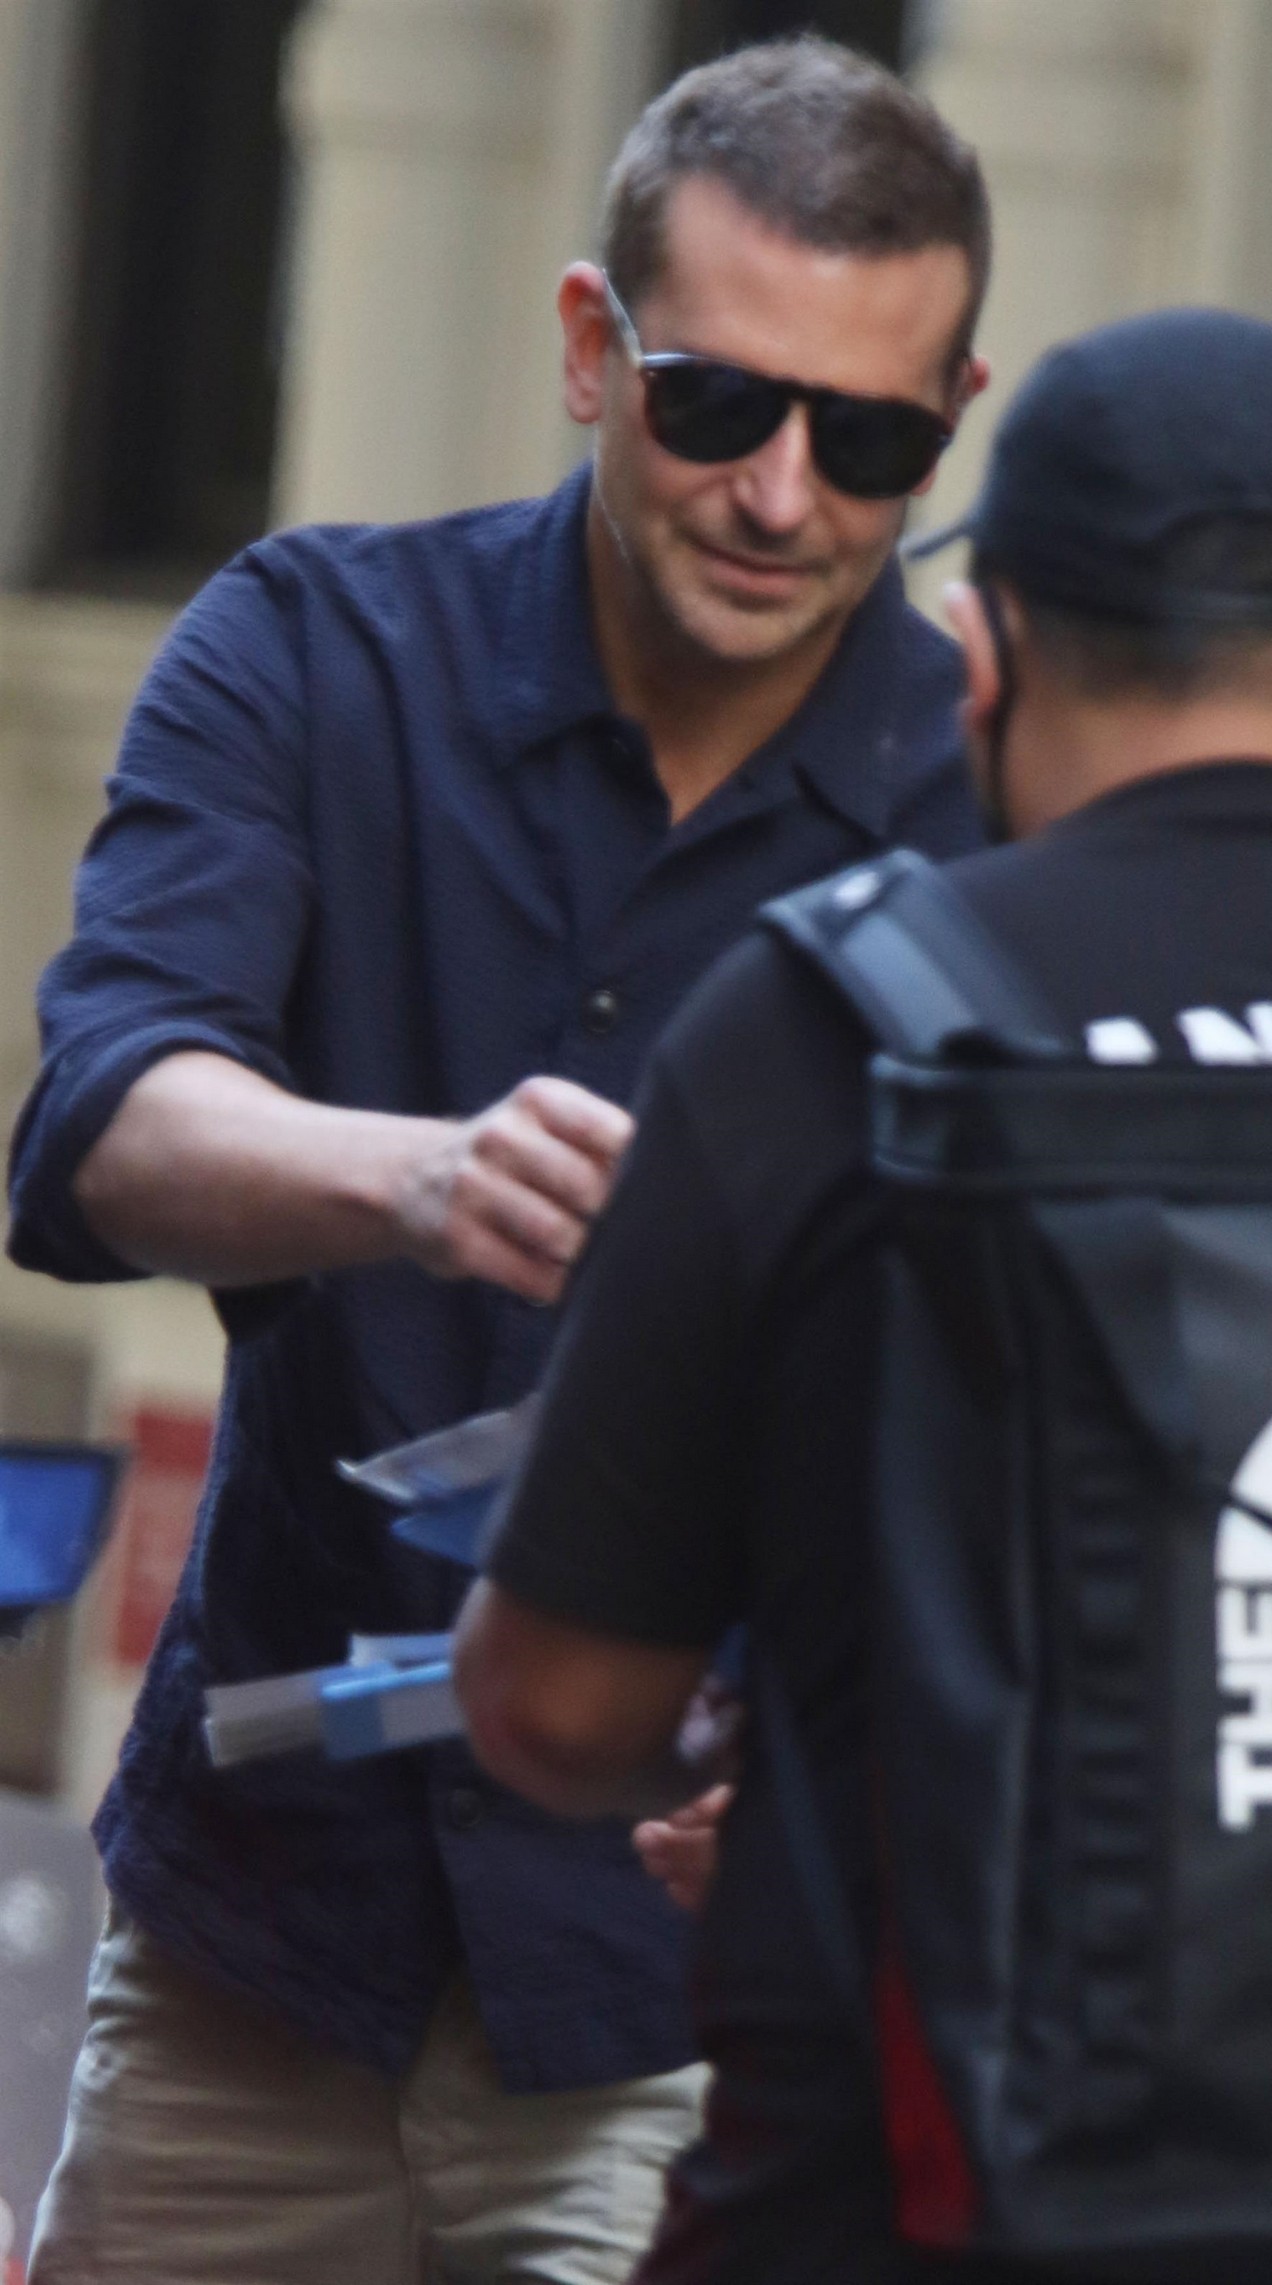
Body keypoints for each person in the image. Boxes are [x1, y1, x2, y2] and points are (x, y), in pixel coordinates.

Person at [453, 307, 1272, 2285]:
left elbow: (555, 1707)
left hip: (887, 2223)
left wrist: (800, 1737)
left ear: (981, 651)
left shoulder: (820, 1031)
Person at [8, 37, 990, 2285]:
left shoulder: (994, 806)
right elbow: (103, 1115)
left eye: (869, 440)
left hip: (690, 2009)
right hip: (263, 1949)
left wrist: (858, 1766)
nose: (783, 496)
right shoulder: (311, 643)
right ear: (586, 347)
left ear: (953, 415)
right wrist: (416, 1179)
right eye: (719, 405)